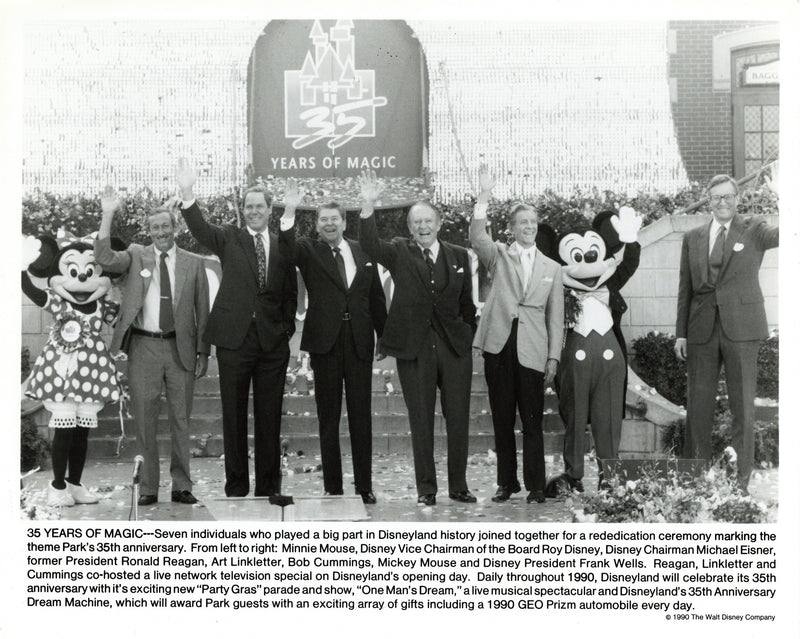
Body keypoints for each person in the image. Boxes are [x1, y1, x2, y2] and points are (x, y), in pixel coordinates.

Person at [176, 160, 297, 497]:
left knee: (270, 415)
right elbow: (200, 228)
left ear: (270, 210)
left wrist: (285, 328)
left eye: (260, 206)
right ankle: (237, 486)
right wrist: (187, 192)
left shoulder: (282, 244)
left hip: (272, 344)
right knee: (233, 415)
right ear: (243, 211)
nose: (254, 211)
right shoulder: (229, 237)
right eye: (249, 206)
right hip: (234, 341)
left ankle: (269, 486)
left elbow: (290, 291)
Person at [358, 169, 477, 506]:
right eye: (416, 223)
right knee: (420, 420)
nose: (423, 227)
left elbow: (467, 304)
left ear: (438, 224)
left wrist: (466, 336)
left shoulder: (457, 256)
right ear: (409, 228)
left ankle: (459, 486)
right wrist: (368, 205)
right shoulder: (398, 251)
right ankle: (427, 489)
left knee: (458, 418)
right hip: (415, 348)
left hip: (454, 348)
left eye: (428, 221)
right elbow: (368, 243)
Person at [95, 188, 210, 506]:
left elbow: (203, 309)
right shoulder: (135, 255)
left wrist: (203, 352)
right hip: (143, 348)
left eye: (166, 226)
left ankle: (182, 485)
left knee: (181, 420)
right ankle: (148, 487)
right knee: (144, 419)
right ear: (149, 231)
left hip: (180, 350)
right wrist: (107, 214)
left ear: (175, 228)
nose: (161, 232)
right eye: (155, 227)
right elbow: (103, 258)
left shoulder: (194, 263)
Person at [279, 180, 386, 504]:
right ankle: (333, 486)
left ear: (343, 221)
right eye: (323, 220)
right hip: (325, 343)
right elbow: (285, 248)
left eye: (334, 219)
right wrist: (289, 210)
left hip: (358, 343)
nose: (328, 224)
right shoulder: (308, 251)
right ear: (317, 224)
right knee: (328, 418)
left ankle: (364, 486)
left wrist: (384, 335)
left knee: (360, 417)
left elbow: (374, 295)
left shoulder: (362, 250)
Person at [675, 173, 778, 492]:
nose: (722, 202)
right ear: (708, 200)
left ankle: (740, 483)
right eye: (716, 197)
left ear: (738, 199)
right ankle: (696, 482)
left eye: (728, 197)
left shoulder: (755, 229)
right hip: (701, 330)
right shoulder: (692, 237)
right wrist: (681, 334)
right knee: (698, 409)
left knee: (743, 407)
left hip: (742, 328)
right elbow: (685, 289)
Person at [469, 165, 563, 504]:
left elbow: (556, 317)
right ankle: (506, 483)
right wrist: (484, 196)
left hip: (534, 350)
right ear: (511, 228)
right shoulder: (499, 255)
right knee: (502, 417)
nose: (529, 228)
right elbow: (477, 237)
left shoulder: (552, 268)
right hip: (499, 345)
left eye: (533, 223)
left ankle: (536, 485)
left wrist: (554, 356)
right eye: (523, 223)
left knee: (533, 420)